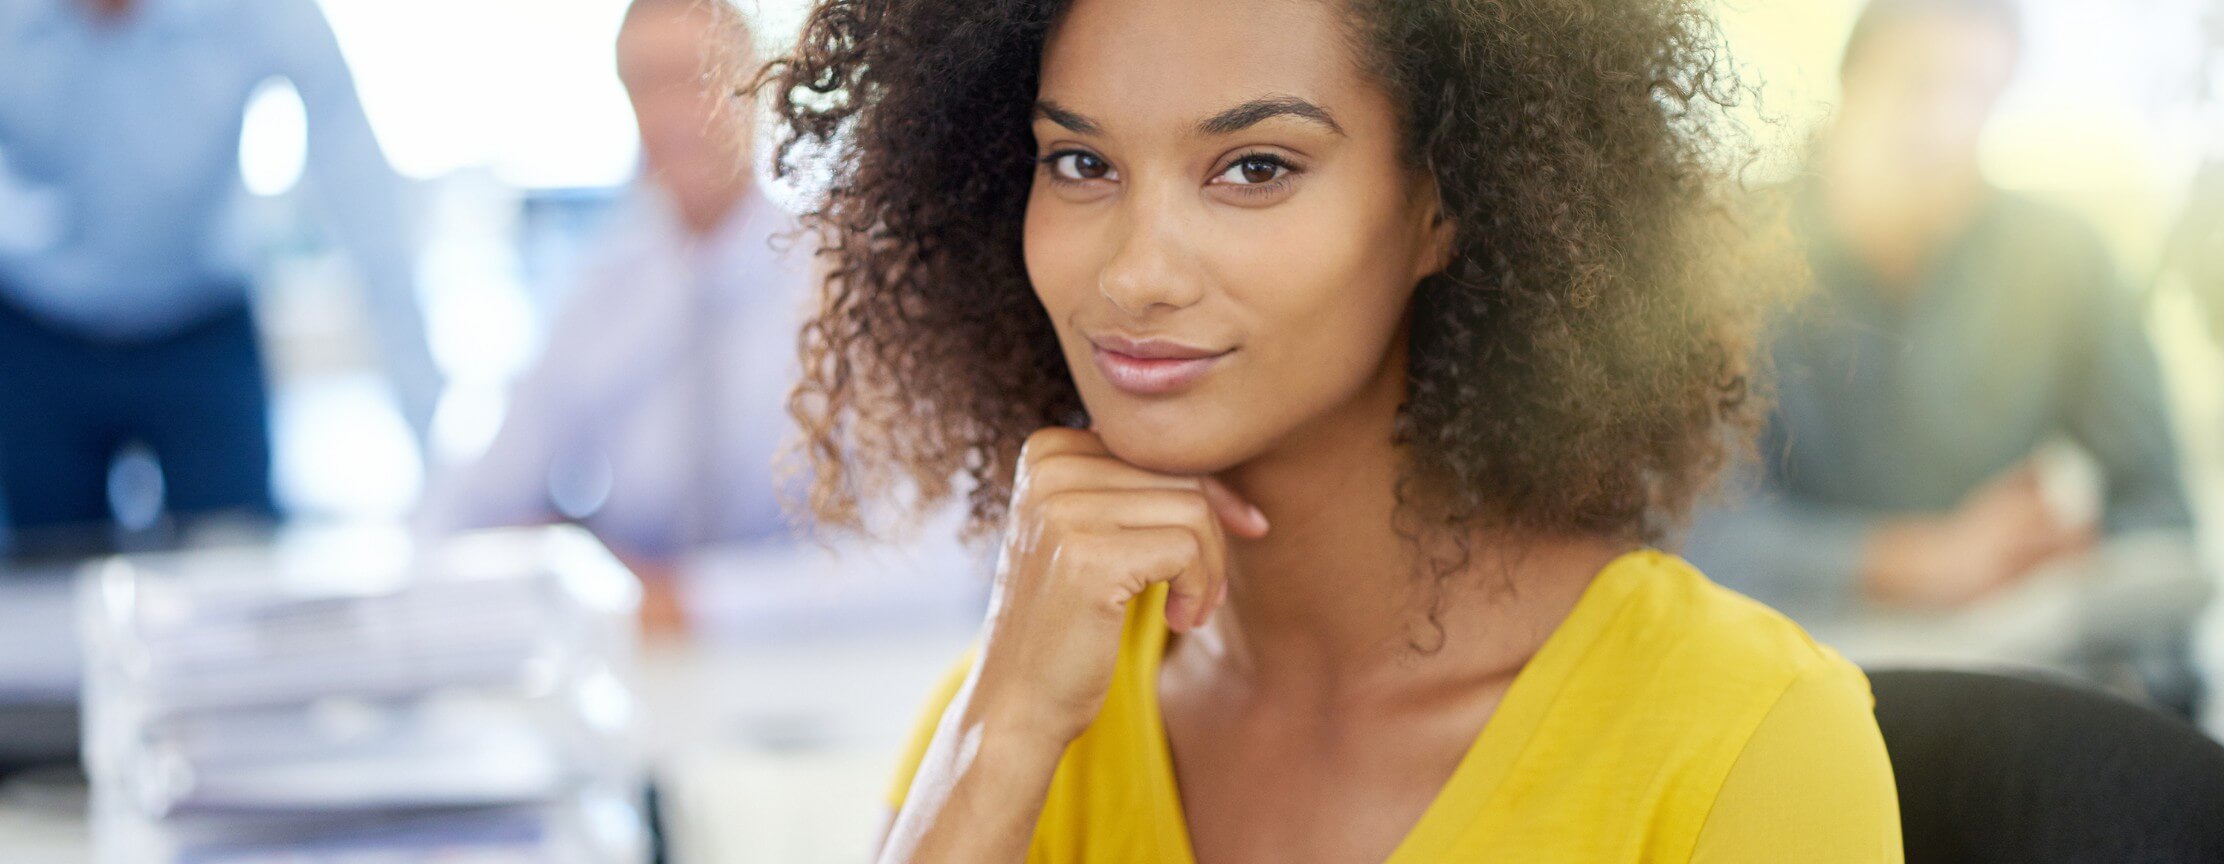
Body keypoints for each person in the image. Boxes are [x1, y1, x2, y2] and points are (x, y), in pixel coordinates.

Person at [757, 0, 1901, 859]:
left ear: (1442, 207)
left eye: (1255, 168)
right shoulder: (1019, 713)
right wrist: (996, 751)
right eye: (1081, 163)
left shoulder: (1746, 737)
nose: (1137, 273)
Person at [0, 0, 441, 578]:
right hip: (32, 339)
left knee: (238, 601)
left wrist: (445, 471)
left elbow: (372, 222)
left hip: (204, 330)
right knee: (37, 625)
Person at [428, 0, 980, 638]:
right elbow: (468, 509)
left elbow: (937, 565)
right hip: (647, 669)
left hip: (809, 660)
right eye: (645, 85)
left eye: (695, 79)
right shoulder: (606, 287)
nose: (672, 115)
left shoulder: (850, 274)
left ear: (757, 84)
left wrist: (685, 604)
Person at [1682, 0, 2192, 625]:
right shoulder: (1721, 254)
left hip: (2011, 656)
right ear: (1851, 80)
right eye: (1917, 83)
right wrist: (1919, 563)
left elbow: (2159, 515)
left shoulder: (2064, 261)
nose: (1945, 124)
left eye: (1977, 93)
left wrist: (2062, 548)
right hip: (1787, 648)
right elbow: (1684, 530)